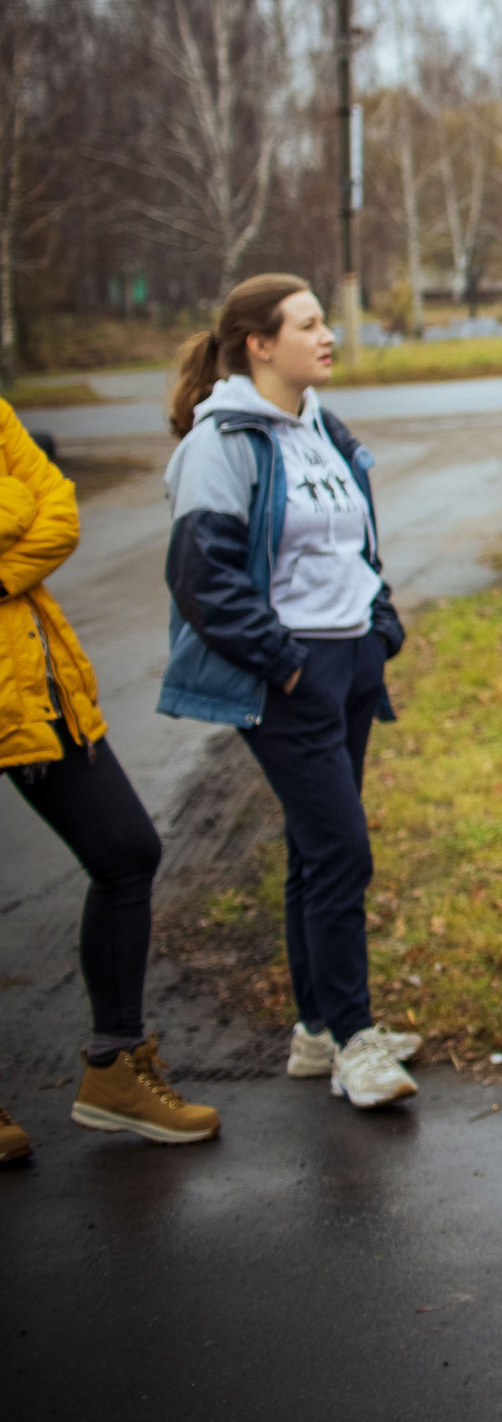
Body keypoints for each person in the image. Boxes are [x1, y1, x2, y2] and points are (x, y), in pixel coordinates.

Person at [162, 274, 421, 1110]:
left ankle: (316, 1032)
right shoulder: (222, 443)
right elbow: (203, 581)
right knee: (343, 848)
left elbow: (355, 545)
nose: (327, 334)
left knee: (318, 849)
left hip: (348, 662)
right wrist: (288, 664)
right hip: (291, 674)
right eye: (307, 324)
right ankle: (355, 1040)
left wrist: (379, 622)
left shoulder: (322, 427)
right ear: (258, 344)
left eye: (323, 322)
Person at [0, 400, 217, 1160]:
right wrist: (15, 504)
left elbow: (57, 509)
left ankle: (114, 1068)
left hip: (34, 679)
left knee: (126, 851)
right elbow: (22, 502)